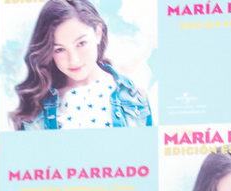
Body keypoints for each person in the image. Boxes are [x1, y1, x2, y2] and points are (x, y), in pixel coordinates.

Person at [9, 0, 151, 131]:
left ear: (98, 33)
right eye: (59, 49)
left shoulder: (133, 96)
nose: (74, 60)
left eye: (81, 43)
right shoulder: (36, 107)